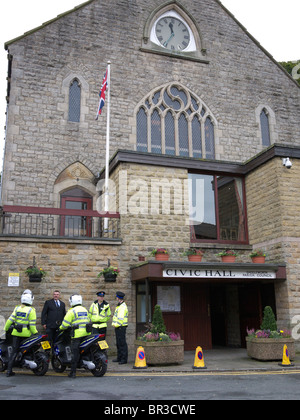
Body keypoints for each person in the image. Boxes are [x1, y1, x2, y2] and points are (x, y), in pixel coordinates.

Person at [4, 289, 38, 377]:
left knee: (14, 352)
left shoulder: (17, 308)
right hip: (26, 334)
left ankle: (9, 371)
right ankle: (26, 363)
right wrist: (36, 333)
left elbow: (9, 320)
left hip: (16, 334)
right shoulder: (31, 310)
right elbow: (32, 325)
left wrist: (5, 329)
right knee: (28, 349)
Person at [59, 294, 91, 378]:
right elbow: (88, 319)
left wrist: (60, 328)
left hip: (77, 335)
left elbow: (65, 324)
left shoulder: (71, 311)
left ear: (72, 302)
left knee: (74, 353)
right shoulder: (84, 309)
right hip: (86, 334)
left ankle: (73, 373)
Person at [112, 291, 128, 365]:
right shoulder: (119, 306)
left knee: (122, 343)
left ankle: (123, 359)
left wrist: (116, 325)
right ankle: (119, 357)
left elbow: (120, 319)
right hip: (119, 327)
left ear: (118, 298)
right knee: (118, 343)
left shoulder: (122, 307)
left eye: (116, 297)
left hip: (121, 327)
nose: (116, 298)